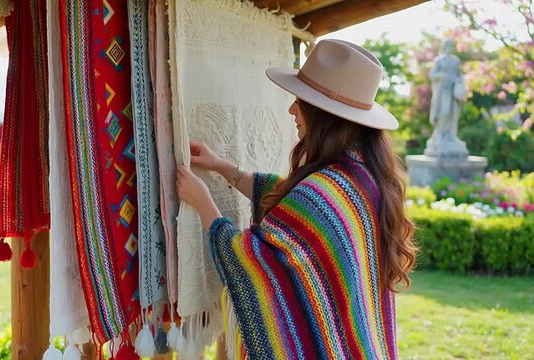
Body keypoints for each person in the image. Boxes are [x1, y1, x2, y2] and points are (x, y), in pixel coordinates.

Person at [177, 39, 417, 359]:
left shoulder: (323, 189)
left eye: (300, 101)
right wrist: (223, 167)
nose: (292, 109)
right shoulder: (362, 178)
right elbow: (293, 206)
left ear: (323, 114)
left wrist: (203, 200)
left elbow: (250, 259)